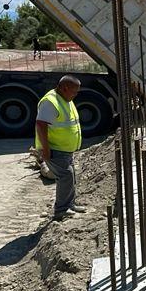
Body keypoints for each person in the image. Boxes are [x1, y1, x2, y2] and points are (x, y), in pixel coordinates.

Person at [35, 76, 88, 220]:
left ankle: (69, 204)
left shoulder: (65, 99)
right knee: (65, 176)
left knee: (69, 177)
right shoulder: (50, 102)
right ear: (64, 88)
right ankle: (61, 210)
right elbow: (41, 125)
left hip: (64, 149)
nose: (75, 95)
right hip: (55, 149)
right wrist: (46, 150)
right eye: (74, 91)